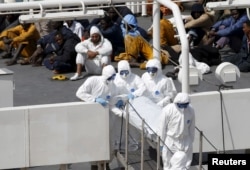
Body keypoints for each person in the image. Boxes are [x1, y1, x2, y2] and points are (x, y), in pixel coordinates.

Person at [75, 65, 117, 170]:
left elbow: (111, 100)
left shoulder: (112, 85)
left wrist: (117, 104)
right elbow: (80, 93)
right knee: (92, 140)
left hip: (104, 116)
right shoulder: (93, 80)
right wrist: (94, 100)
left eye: (113, 77)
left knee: (107, 141)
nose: (112, 79)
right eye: (110, 77)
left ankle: (105, 163)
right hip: (91, 116)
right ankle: (93, 164)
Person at [157, 92, 195, 170]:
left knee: (186, 162)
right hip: (171, 139)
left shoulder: (190, 110)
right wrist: (161, 143)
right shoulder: (168, 110)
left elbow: (191, 127)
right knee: (168, 161)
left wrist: (191, 141)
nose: (183, 108)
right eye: (181, 105)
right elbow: (162, 127)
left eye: (185, 105)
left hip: (185, 139)